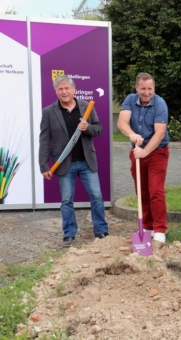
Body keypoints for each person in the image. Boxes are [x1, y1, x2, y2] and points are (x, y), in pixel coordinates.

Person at [39, 75, 109, 247]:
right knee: (66, 200)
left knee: (97, 197)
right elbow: (45, 139)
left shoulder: (86, 107)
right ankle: (69, 234)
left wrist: (87, 128)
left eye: (67, 88)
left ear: (74, 89)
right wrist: (43, 165)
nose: (64, 92)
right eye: (60, 89)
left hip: (86, 161)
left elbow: (98, 128)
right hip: (64, 163)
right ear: (56, 92)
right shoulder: (49, 112)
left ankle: (101, 230)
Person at [117, 72, 170, 243]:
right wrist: (132, 134)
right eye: (143, 89)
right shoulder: (130, 100)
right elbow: (122, 122)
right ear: (137, 88)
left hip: (157, 152)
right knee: (142, 191)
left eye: (150, 89)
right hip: (137, 151)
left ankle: (160, 229)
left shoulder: (160, 103)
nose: (147, 92)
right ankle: (147, 227)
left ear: (154, 88)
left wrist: (145, 152)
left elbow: (160, 133)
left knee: (156, 190)